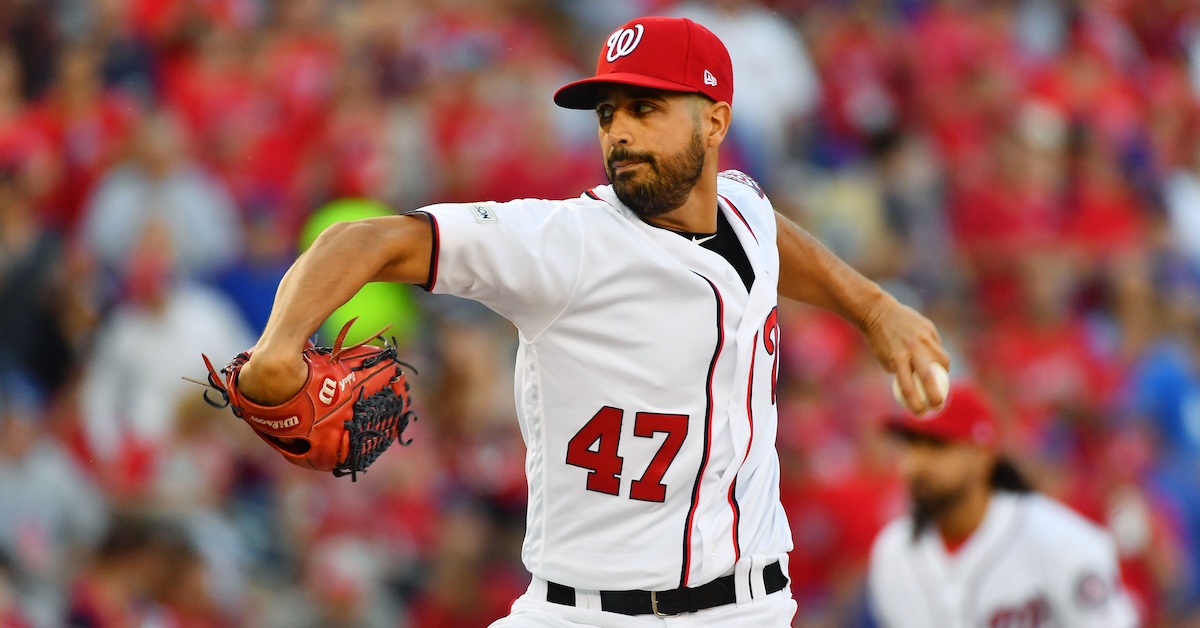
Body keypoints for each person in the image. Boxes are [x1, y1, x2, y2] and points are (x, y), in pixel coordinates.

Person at [235, 16, 948, 626]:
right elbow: (362, 240)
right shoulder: (565, 244)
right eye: (608, 114)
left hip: (748, 608)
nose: (620, 133)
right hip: (584, 612)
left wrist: (872, 307)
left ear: (715, 121)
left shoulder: (745, 209)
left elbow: (769, 236)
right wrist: (278, 349)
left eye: (645, 109)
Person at [868, 384, 1140, 627]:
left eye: (936, 445)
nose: (916, 464)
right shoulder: (892, 554)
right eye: (910, 444)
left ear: (983, 456)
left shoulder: (1063, 542)